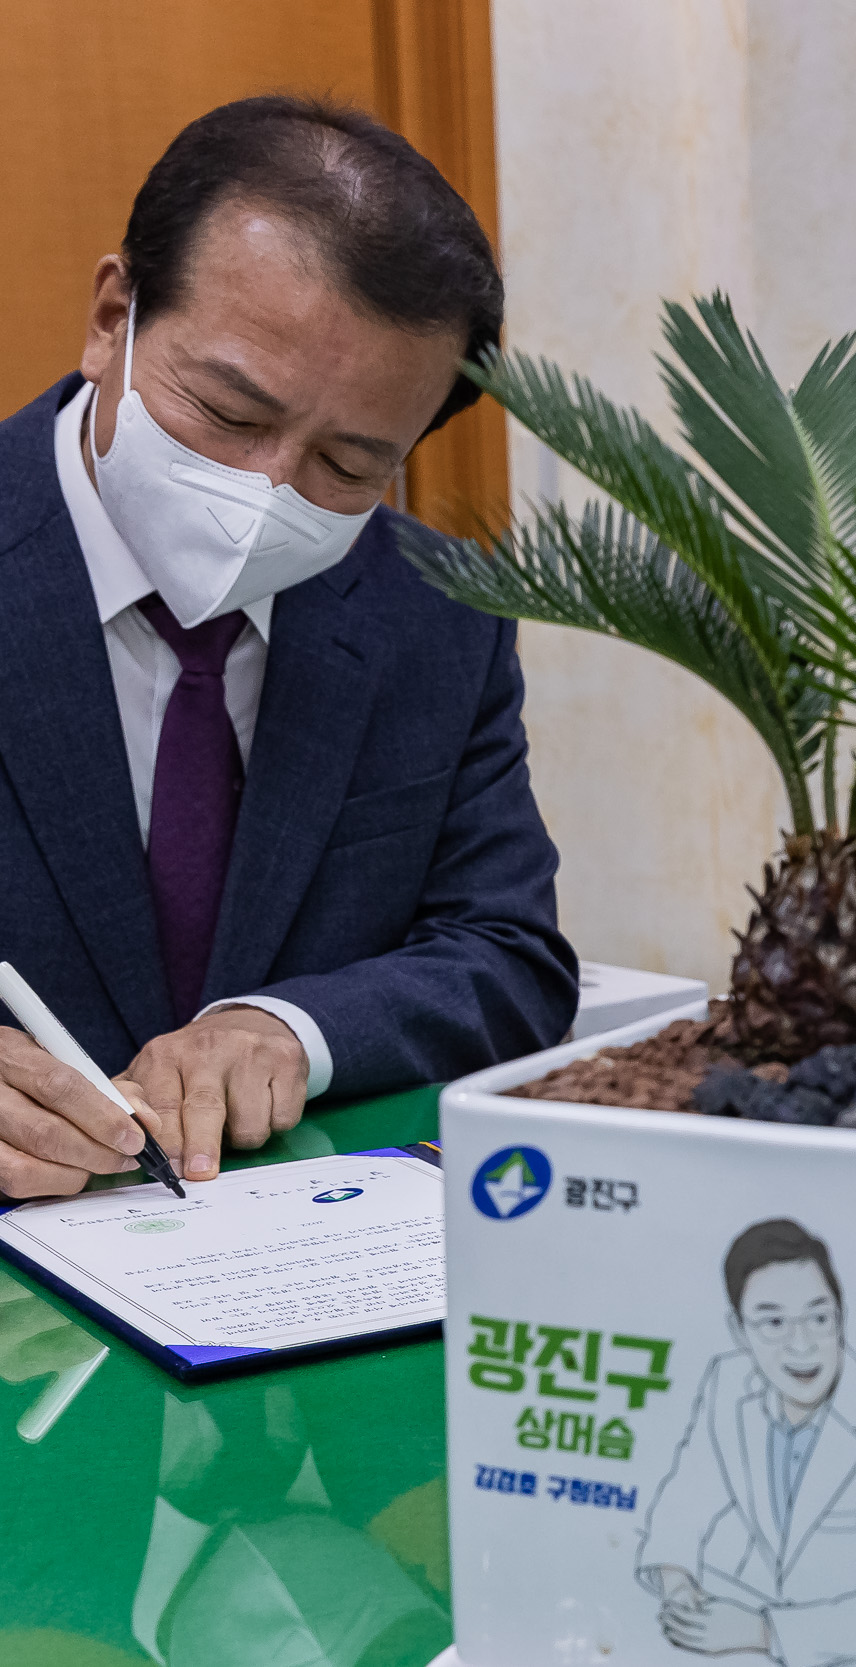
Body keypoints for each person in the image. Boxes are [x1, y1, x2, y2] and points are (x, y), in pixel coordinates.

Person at [0, 96, 576, 1196]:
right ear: (113, 315)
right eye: (224, 410)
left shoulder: (434, 612)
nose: (264, 494)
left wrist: (292, 1027)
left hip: (289, 1279)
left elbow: (505, 952)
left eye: (349, 465)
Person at [639, 1218, 856, 1664]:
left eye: (819, 1318)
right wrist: (677, 1583)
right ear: (738, 1331)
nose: (801, 1344)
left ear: (842, 1317)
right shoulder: (727, 1383)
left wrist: (761, 1632)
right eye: (773, 1323)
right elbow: (685, 1494)